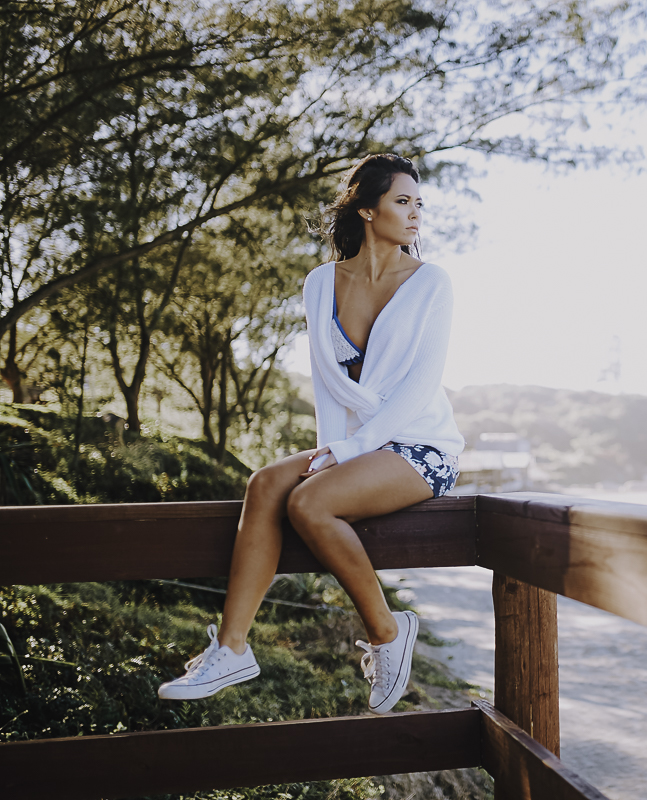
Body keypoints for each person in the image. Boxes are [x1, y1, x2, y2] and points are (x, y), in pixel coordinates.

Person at [157, 154, 465, 715]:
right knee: (266, 483)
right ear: (368, 210)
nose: (416, 214)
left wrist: (344, 456)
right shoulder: (321, 283)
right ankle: (231, 649)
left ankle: (388, 631)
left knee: (312, 504)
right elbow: (330, 386)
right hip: (359, 444)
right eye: (403, 201)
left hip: (422, 446)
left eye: (420, 204)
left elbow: (419, 390)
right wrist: (337, 451)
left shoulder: (431, 284)